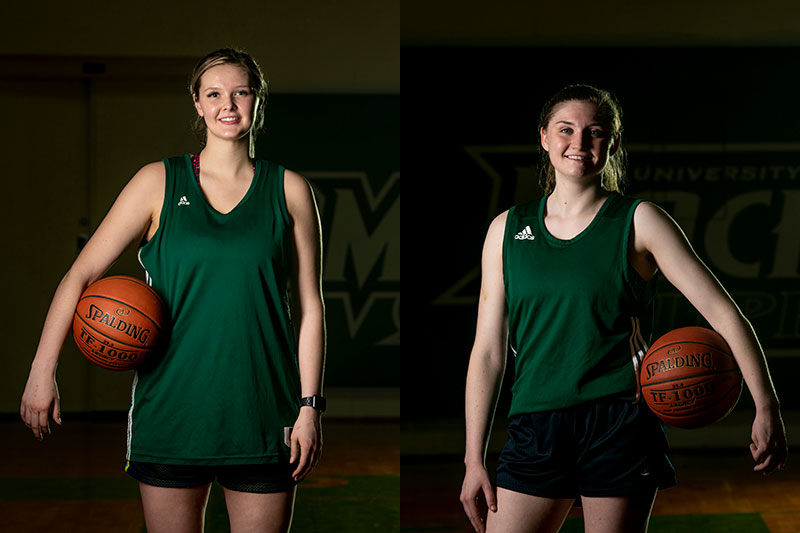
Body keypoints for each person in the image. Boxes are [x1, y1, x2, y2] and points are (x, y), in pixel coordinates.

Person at [20, 48, 326, 533]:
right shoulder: (156, 182)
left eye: (241, 92)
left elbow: (310, 308)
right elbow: (78, 277)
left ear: (257, 100)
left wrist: (310, 408)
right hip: (172, 411)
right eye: (214, 94)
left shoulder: (289, 190)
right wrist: (42, 369)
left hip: (264, 412)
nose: (229, 104)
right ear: (197, 103)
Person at [459, 84, 787, 533]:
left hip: (620, 424)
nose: (579, 143)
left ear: (612, 143)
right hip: (535, 426)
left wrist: (765, 405)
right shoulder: (507, 230)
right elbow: (489, 352)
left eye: (594, 132)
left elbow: (724, 313)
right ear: (543, 137)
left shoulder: (639, 221)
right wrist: (472, 458)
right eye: (565, 130)